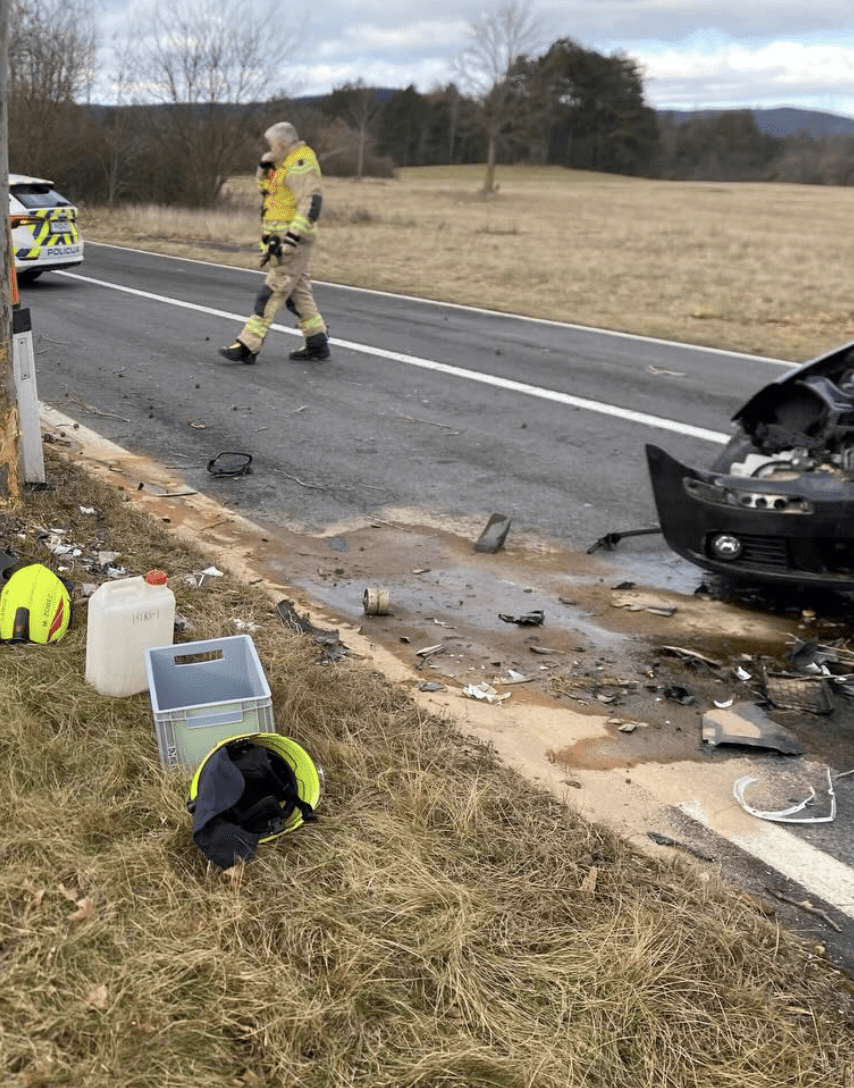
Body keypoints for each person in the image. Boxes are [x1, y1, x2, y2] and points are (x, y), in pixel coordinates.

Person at [219, 122, 331, 365]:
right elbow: (267, 192)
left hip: (292, 240)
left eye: (271, 145)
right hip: (278, 238)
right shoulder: (284, 163)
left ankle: (248, 344)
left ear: (281, 144)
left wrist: (292, 238)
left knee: (271, 292)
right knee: (296, 292)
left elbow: (311, 202)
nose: (269, 149)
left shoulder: (301, 163)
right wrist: (263, 168)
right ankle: (317, 342)